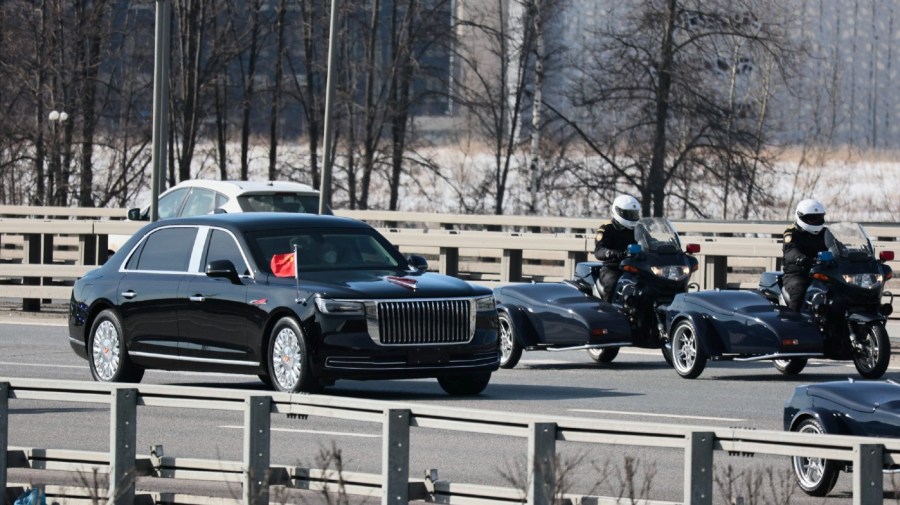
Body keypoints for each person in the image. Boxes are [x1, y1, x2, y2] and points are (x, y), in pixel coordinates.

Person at [782, 198, 828, 312]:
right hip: (799, 273)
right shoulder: (792, 233)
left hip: (823, 272)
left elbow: (838, 246)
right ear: (801, 217)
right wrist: (800, 258)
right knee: (799, 288)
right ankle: (793, 321)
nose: (816, 221)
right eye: (812, 219)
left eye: (819, 218)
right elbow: (790, 250)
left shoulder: (826, 233)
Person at [593, 194, 641, 301]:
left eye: (634, 214)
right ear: (618, 211)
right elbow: (599, 251)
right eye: (628, 214)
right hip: (614, 267)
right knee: (612, 283)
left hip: (636, 267)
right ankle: (607, 312)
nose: (632, 217)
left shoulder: (639, 228)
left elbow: (649, 241)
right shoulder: (607, 228)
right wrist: (612, 253)